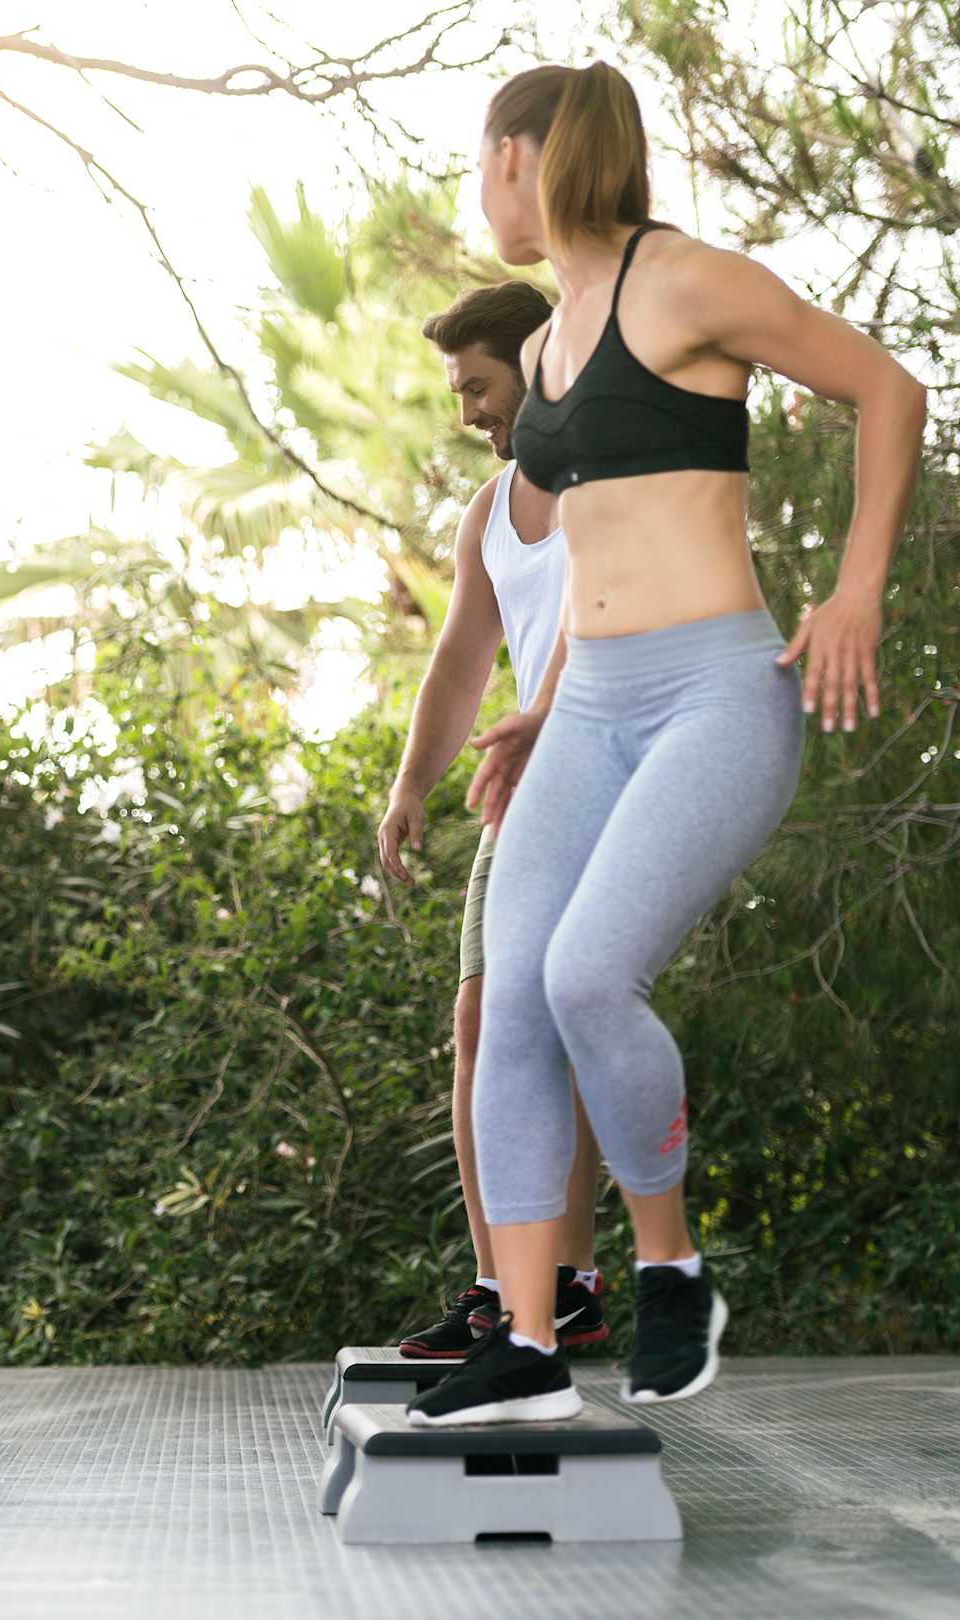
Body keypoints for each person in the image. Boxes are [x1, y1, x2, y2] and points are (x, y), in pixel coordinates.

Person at [408, 62, 925, 1428]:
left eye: (481, 162)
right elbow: (596, 548)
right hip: (590, 708)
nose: (478, 190)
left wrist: (856, 591)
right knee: (512, 1001)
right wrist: (539, 707)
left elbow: (887, 389)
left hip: (715, 697)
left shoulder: (686, 284)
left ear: (519, 157)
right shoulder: (549, 343)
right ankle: (527, 1341)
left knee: (587, 977)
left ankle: (669, 1267)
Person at [377, 281, 609, 1362]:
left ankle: (562, 1283)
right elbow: (461, 658)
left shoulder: (608, 475)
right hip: (522, 790)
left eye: (477, 386)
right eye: (458, 393)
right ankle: (500, 1286)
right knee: (478, 1028)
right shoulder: (490, 509)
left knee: (550, 1027)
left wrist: (544, 716)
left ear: (534, 362)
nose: (467, 411)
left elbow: (592, 614)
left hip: (602, 777)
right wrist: (410, 785)